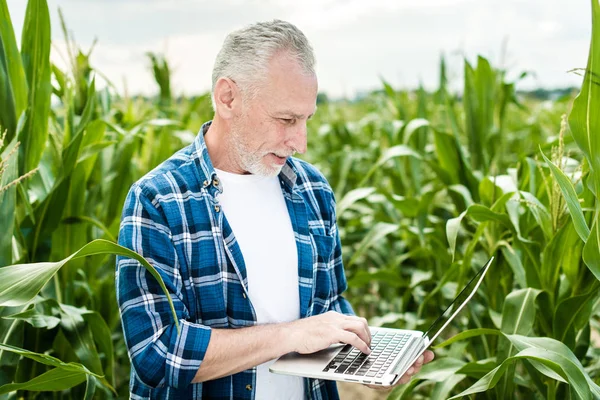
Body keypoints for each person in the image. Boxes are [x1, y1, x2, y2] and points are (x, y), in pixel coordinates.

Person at [116, 19, 434, 399]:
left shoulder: (312, 189)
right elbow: (156, 353)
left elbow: (329, 305)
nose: (299, 141)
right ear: (228, 98)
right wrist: (290, 335)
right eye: (286, 120)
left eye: (306, 120)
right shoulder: (158, 200)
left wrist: (364, 356)